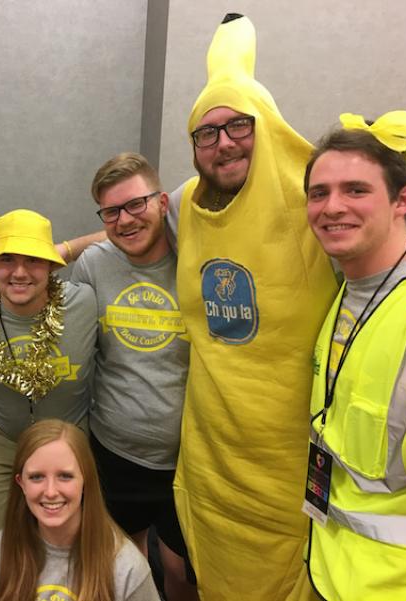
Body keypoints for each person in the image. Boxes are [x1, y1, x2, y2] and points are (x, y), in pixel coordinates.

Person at [172, 14, 339, 600]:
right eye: (205, 133)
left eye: (238, 125)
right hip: (210, 457)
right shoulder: (192, 201)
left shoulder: (316, 202)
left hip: (291, 469)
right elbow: (137, 216)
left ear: (264, 123)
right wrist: (57, 249)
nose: (223, 143)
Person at [302, 112, 406, 601]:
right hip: (329, 568)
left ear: (404, 200)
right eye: (319, 193)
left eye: (355, 190)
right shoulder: (344, 289)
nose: (332, 207)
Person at [70, 152, 196, 600]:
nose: (125, 220)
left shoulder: (199, 258)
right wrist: (65, 250)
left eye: (135, 205)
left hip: (190, 456)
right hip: (116, 449)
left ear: (163, 202)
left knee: (184, 572)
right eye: (111, 212)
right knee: (126, 565)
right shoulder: (94, 266)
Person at [0, 209, 97, 558]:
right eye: (6, 259)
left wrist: (65, 247)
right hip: (0, 436)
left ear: (52, 264)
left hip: (70, 434)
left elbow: (128, 229)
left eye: (33, 260)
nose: (19, 272)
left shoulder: (86, 303)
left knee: (70, 550)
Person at [0, 419, 159, 601]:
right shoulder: (2, 549)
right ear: (20, 483)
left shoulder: (127, 567)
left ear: (86, 480)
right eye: (36, 477)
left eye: (65, 476)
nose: (50, 491)